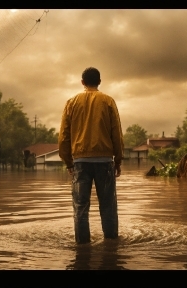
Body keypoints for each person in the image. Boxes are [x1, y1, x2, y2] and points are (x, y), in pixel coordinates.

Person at [58, 67, 124, 244]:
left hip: (80, 162)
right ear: (99, 82)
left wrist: (68, 162)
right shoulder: (108, 101)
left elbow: (64, 135)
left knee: (80, 207)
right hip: (105, 161)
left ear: (82, 82)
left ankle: (82, 248)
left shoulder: (71, 103)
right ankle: (111, 246)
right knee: (108, 206)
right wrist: (118, 160)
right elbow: (116, 133)